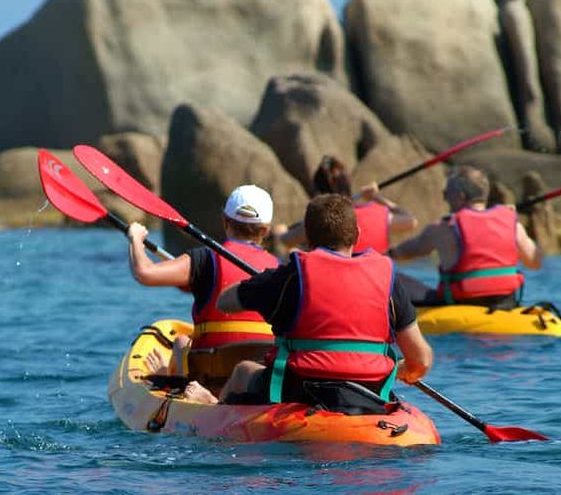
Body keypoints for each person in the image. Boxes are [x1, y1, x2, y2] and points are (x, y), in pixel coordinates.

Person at [182, 194, 433, 408]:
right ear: (357, 234)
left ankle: (214, 406)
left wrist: (262, 283)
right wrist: (399, 371)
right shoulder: (388, 281)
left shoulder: (291, 275)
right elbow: (421, 361)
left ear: (308, 239)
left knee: (243, 371)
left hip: (299, 392)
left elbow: (225, 302)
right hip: (368, 394)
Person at [127, 185, 280, 383]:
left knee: (181, 343)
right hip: (259, 380)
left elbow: (144, 273)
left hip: (208, 379)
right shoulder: (280, 269)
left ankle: (173, 374)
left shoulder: (205, 260)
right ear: (265, 230)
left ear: (225, 221)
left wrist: (136, 239)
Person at [388, 165, 542, 307]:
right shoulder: (513, 224)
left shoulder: (443, 227)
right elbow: (535, 263)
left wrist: (384, 253)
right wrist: (510, 222)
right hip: (506, 302)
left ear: (460, 196)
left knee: (393, 279)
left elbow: (403, 252)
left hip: (460, 302)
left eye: (446, 193)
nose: (445, 198)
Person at [277, 156, 417, 254]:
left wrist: (279, 231)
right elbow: (411, 221)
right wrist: (377, 197)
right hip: (372, 285)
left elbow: (284, 241)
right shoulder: (379, 216)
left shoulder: (316, 220)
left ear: (318, 192)